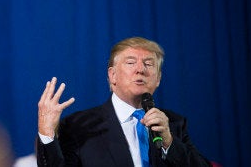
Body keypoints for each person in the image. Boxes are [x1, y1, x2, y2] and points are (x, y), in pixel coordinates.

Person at [36, 36, 210, 166]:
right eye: (131, 62)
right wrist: (46, 133)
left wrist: (169, 143)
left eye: (149, 64)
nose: (140, 69)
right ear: (112, 75)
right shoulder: (79, 126)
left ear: (158, 79)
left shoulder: (173, 124)